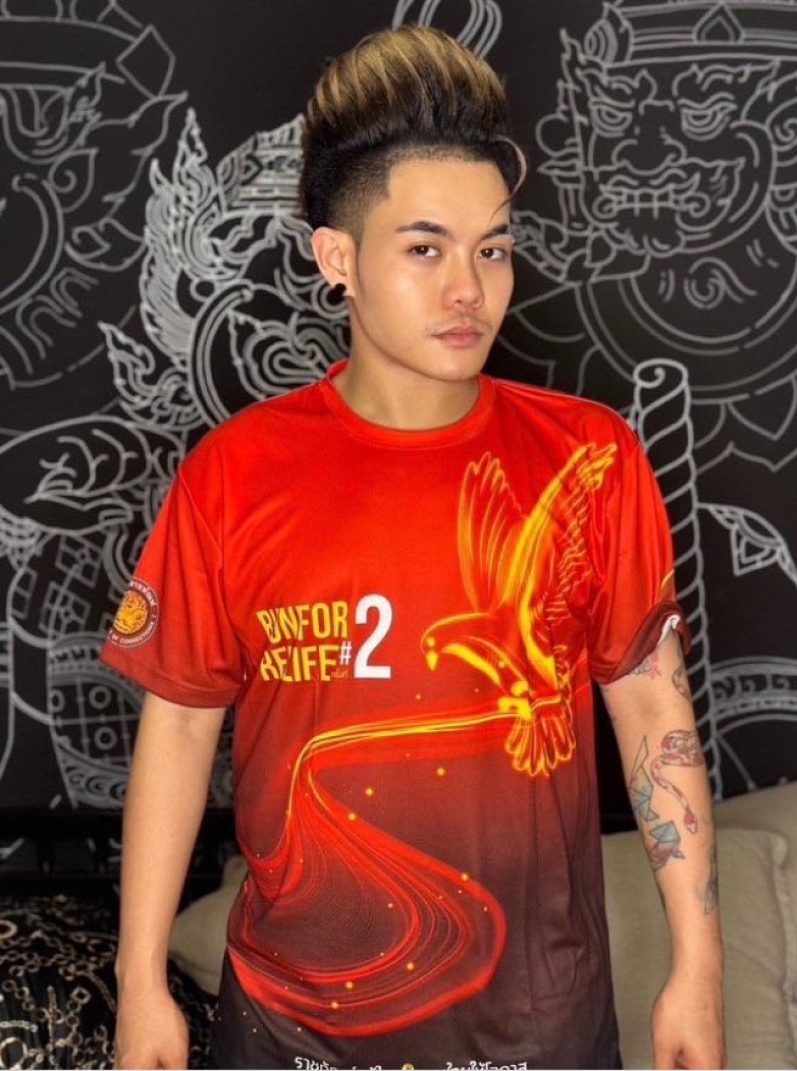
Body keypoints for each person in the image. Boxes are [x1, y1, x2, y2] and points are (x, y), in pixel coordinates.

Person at [103, 23, 725, 1071]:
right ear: (337, 260)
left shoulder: (590, 460)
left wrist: (697, 968)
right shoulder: (233, 474)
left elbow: (653, 711)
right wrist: (140, 983)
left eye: (492, 248)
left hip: (540, 1024)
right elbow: (178, 731)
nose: (467, 288)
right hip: (292, 1027)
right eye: (425, 248)